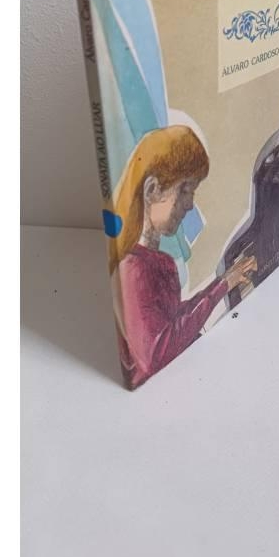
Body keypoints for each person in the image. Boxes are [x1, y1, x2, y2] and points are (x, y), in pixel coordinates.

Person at [109, 125, 256, 389]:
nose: (189, 205)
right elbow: (157, 355)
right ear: (152, 189)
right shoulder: (131, 269)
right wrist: (221, 286)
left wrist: (226, 281)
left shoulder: (163, 262)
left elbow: (172, 322)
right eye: (185, 190)